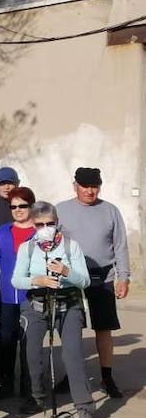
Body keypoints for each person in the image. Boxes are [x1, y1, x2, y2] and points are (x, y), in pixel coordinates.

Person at [12, 202, 96, 418]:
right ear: (33, 225)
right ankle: (36, 397)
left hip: (68, 304)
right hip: (37, 304)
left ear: (57, 223)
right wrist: (36, 280)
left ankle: (84, 406)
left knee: (72, 355)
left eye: (50, 223)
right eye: (40, 224)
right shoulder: (27, 248)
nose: (45, 228)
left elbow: (85, 281)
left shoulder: (71, 247)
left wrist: (66, 272)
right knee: (31, 354)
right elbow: (16, 280)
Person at [56, 167, 130, 399]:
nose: (90, 191)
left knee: (103, 328)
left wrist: (123, 276)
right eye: (86, 186)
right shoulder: (61, 210)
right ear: (75, 185)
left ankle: (106, 378)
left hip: (103, 277)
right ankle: (72, 376)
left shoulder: (110, 211)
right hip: (71, 278)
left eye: (95, 186)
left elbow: (120, 245)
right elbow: (50, 242)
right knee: (71, 330)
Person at [0, 186, 36, 398]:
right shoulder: (3, 230)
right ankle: (7, 381)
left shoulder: (40, 232)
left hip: (32, 295)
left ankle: (29, 383)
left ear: (32, 206)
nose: (17, 210)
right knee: (6, 339)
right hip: (7, 294)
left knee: (29, 341)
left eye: (22, 206)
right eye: (13, 206)